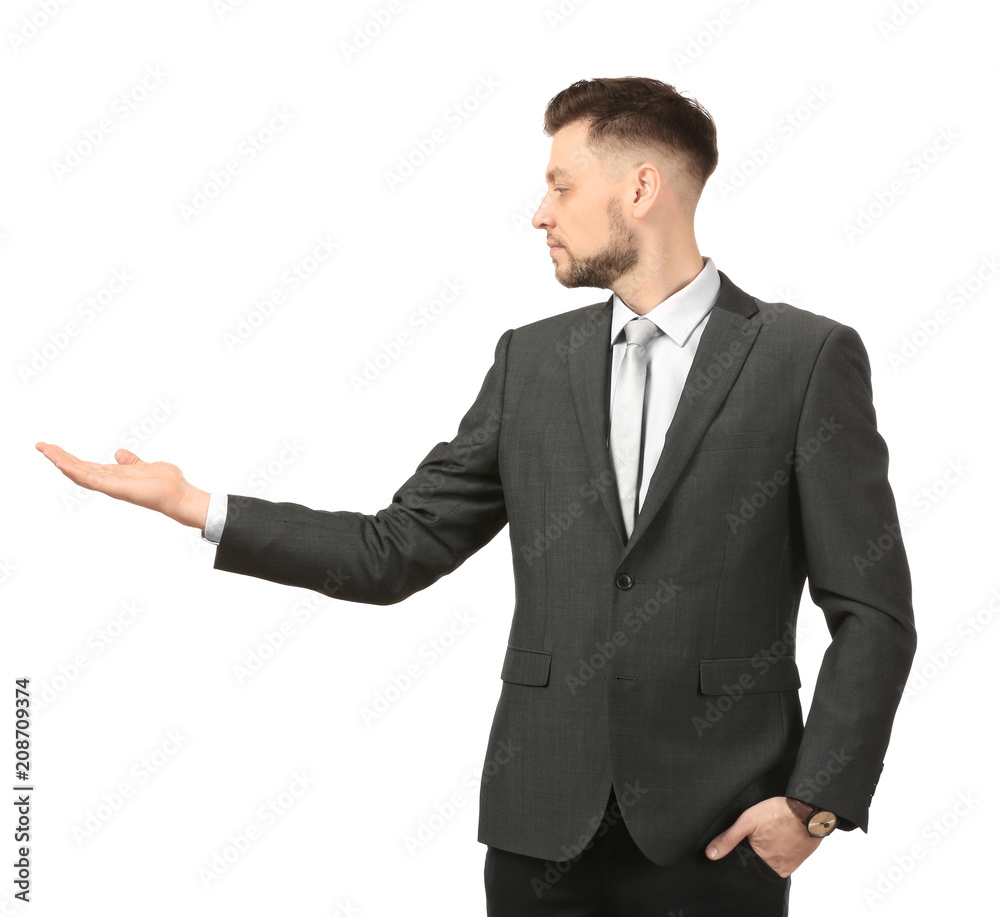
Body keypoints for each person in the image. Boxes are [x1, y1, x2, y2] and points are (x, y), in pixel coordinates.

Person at [36, 76, 916, 916]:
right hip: (540, 833)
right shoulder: (531, 362)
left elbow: (872, 610)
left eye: (561, 186)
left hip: (720, 835)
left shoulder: (804, 359)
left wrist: (813, 806)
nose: (540, 213)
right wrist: (196, 504)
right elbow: (394, 549)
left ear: (641, 187)